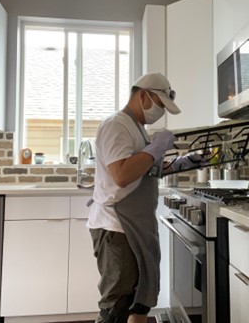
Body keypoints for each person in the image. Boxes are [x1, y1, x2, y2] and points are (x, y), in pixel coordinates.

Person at [87, 72, 181, 323]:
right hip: (117, 226)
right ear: (143, 95)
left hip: (136, 224)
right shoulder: (116, 124)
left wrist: (181, 164)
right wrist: (157, 147)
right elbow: (121, 175)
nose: (161, 112)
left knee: (140, 301)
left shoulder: (138, 128)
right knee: (118, 305)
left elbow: (142, 168)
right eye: (160, 105)